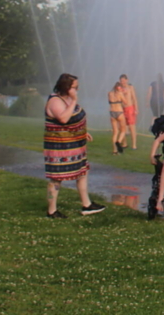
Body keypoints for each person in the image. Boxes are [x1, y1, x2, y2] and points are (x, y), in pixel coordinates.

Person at [44, 73, 105, 218]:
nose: (77, 90)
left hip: (74, 144)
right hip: (59, 147)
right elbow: (64, 119)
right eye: (74, 87)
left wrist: (82, 132)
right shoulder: (55, 101)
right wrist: (74, 100)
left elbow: (73, 118)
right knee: (56, 178)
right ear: (66, 87)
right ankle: (52, 210)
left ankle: (87, 204)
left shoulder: (67, 99)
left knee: (82, 172)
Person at [119, 74, 139, 150]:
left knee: (132, 127)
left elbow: (134, 99)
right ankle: (124, 143)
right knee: (122, 127)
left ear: (127, 80)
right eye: (121, 81)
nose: (123, 82)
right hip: (122, 109)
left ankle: (134, 145)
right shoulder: (119, 89)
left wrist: (136, 109)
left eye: (124, 81)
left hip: (130, 108)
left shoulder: (130, 88)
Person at [107, 81, 128, 154]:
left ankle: (114, 150)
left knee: (115, 132)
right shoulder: (120, 94)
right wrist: (124, 94)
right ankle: (118, 142)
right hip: (119, 112)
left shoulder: (109, 93)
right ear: (119, 88)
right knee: (123, 130)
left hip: (112, 112)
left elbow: (109, 101)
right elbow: (125, 102)